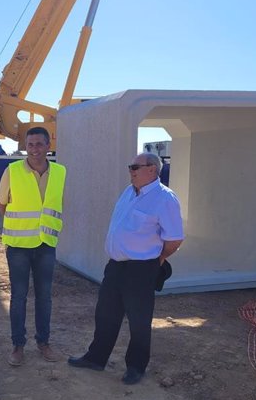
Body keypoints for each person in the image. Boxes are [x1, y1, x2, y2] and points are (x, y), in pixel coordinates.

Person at [68, 152, 183, 385]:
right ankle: (96, 358)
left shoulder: (165, 199)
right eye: (130, 167)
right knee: (105, 314)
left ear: (152, 169)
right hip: (115, 267)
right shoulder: (129, 192)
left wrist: (157, 260)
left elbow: (175, 239)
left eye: (135, 167)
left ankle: (136, 367)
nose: (131, 171)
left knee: (139, 321)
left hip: (142, 269)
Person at [0, 127, 66, 366]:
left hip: (46, 244)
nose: (34, 149)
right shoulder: (12, 170)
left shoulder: (60, 172)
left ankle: (43, 343)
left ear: (48, 146)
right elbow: (1, 204)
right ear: (25, 146)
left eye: (39, 144)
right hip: (18, 246)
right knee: (18, 297)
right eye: (30, 144)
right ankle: (18, 345)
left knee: (45, 297)